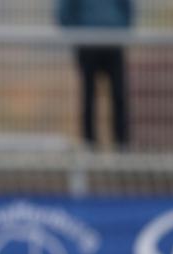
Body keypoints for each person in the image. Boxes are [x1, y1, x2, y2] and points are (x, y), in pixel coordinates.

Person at [57, 0, 133, 148]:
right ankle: (89, 144)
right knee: (88, 96)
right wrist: (78, 34)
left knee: (119, 95)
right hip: (87, 43)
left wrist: (120, 30)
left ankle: (122, 145)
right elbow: (64, 12)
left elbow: (127, 8)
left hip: (114, 42)